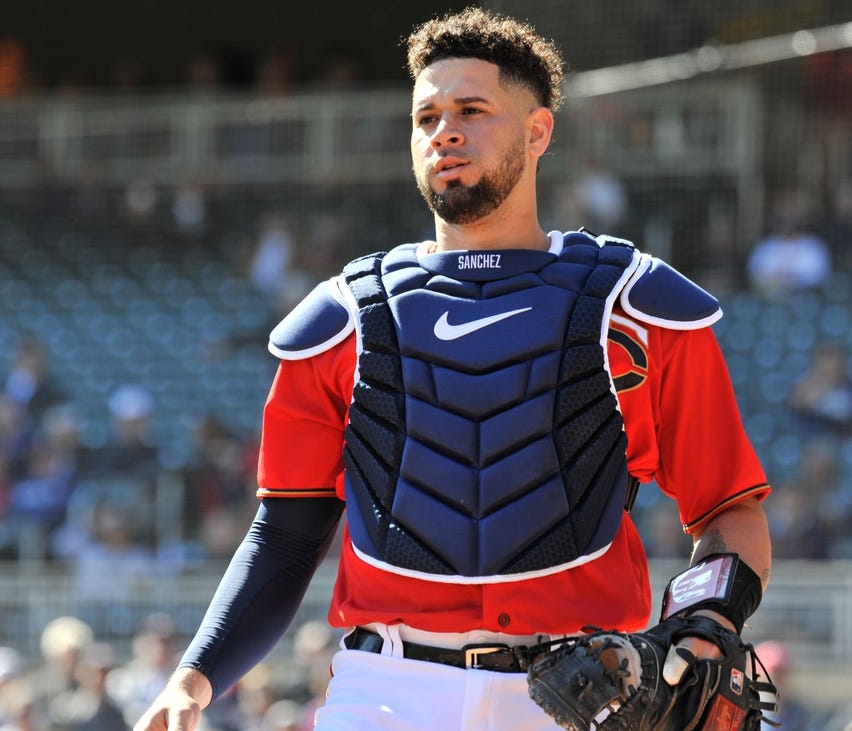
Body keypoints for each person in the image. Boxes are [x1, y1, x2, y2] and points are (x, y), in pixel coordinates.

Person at [133, 8, 773, 731]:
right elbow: (284, 532)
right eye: (427, 116)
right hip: (387, 688)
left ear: (538, 131)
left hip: (581, 692)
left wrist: (700, 628)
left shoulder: (635, 306)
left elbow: (728, 511)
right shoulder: (343, 318)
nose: (445, 132)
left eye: (472, 110)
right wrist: (194, 678)